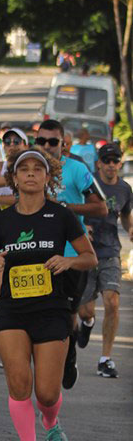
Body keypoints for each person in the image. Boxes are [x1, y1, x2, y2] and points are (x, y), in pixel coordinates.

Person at [0, 149, 96, 441]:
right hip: (12, 312)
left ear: (47, 177)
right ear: (14, 179)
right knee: (18, 384)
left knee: (46, 393)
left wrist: (69, 261)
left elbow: (90, 257)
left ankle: (51, 421)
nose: (30, 173)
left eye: (37, 169)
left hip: (52, 311)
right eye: (23, 169)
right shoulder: (1, 221)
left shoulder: (61, 215)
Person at [33, 119, 106, 389]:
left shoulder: (77, 169)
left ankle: (69, 354)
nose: (47, 146)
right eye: (41, 141)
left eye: (53, 141)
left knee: (67, 314)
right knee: (38, 313)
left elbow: (101, 208)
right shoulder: (28, 169)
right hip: (35, 254)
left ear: (63, 144)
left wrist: (66, 207)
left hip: (71, 255)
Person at [77, 143, 131, 377]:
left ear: (120, 163)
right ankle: (87, 323)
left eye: (115, 161)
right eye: (106, 160)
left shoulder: (124, 188)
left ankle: (105, 359)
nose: (111, 165)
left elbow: (125, 215)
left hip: (110, 251)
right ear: (98, 163)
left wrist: (130, 228)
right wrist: (83, 225)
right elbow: (75, 208)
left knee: (112, 302)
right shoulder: (88, 183)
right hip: (86, 250)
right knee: (85, 311)